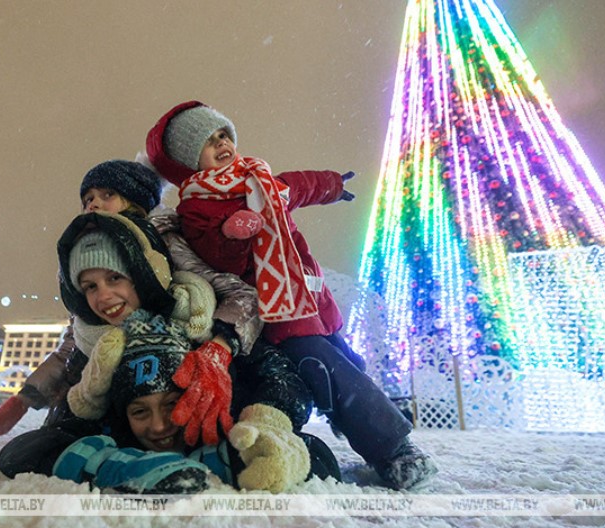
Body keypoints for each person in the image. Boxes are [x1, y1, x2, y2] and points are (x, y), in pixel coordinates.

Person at [146, 100, 438, 490]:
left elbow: (297, 186)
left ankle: (360, 412)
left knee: (346, 359)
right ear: (189, 159)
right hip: (275, 307)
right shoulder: (198, 204)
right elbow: (215, 253)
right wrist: (233, 233)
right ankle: (393, 450)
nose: (221, 145)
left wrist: (332, 185)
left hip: (307, 295)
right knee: (325, 367)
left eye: (223, 135)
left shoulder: (257, 178)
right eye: (207, 142)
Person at [0, 211, 338, 493]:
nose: (103, 298)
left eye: (115, 278)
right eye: (90, 286)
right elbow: (46, 441)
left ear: (143, 274)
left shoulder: (204, 320)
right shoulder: (96, 351)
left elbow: (277, 374)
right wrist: (116, 462)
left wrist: (265, 422)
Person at [0, 160, 265, 447]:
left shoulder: (164, 241)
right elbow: (77, 339)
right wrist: (23, 400)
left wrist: (217, 347)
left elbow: (241, 296)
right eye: (87, 199)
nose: (93, 204)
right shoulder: (88, 252)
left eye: (106, 195)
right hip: (111, 372)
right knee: (56, 437)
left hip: (167, 364)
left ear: (135, 201)